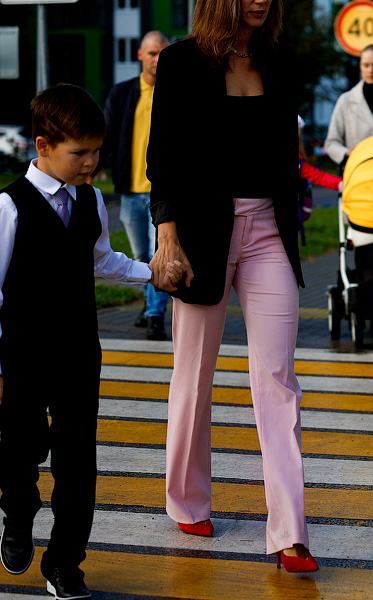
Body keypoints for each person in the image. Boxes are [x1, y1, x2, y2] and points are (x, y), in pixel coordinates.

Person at [146, 0, 318, 573]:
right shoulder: (180, 63)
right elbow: (163, 154)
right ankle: (187, 498)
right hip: (201, 234)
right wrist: (167, 237)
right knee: (193, 377)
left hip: (269, 229)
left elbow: (286, 153)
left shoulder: (278, 61)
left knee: (278, 380)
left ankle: (290, 530)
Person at [0, 84, 180, 599]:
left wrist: (150, 272)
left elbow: (99, 258)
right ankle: (17, 513)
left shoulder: (92, 200)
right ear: (43, 146)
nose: (91, 163)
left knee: (78, 459)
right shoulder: (9, 207)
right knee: (18, 450)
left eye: (97, 151)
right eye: (79, 153)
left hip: (79, 352)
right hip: (23, 355)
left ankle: (65, 563)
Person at [103, 31, 171, 340]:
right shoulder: (121, 94)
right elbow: (106, 137)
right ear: (140, 56)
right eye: (153, 53)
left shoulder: (177, 94)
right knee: (140, 254)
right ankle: (149, 304)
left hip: (163, 195)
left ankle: (156, 314)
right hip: (130, 192)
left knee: (159, 254)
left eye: (164, 53)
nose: (159, 59)